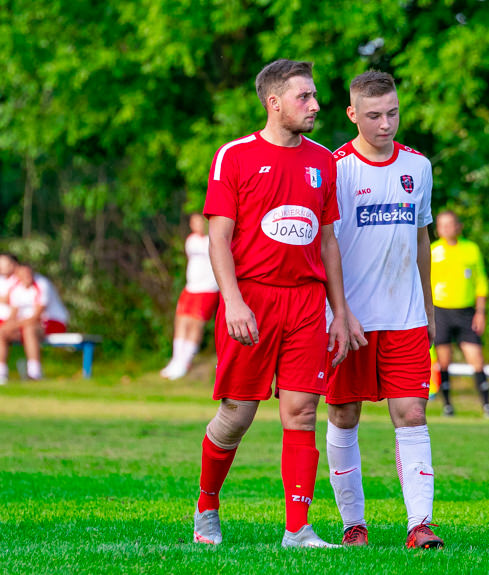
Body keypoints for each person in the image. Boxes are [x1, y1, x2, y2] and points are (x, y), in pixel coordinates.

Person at [192, 59, 351, 549]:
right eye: (305, 97)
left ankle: (298, 529)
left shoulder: (324, 160)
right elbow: (218, 239)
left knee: (302, 411)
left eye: (315, 96)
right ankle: (207, 506)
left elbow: (328, 241)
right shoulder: (234, 156)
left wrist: (340, 312)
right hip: (252, 299)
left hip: (306, 301)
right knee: (237, 414)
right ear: (274, 102)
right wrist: (234, 302)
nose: (316, 106)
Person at [325, 70, 443, 549]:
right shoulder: (335, 168)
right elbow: (324, 242)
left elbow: (421, 238)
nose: (385, 124)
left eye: (392, 113)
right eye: (374, 116)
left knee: (412, 414)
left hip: (406, 317)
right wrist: (337, 312)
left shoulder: (419, 166)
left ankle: (421, 525)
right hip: (348, 319)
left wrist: (429, 309)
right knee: (344, 414)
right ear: (353, 114)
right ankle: (354, 524)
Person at [430, 210, 489, 417]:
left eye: (451, 224)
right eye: (442, 225)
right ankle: (447, 405)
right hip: (441, 310)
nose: (447, 229)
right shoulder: (432, 250)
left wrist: (480, 312)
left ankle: (486, 405)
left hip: (466, 311)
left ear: (459, 226)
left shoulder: (471, 249)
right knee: (444, 360)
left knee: (476, 357)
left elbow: (481, 281)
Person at [160, 214, 220, 380]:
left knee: (195, 324)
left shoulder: (214, 240)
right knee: (181, 321)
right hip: (191, 288)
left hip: (207, 289)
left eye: (200, 222)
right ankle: (176, 359)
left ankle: (185, 362)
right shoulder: (191, 241)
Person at [0, 263, 68, 383]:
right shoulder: (16, 288)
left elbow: (36, 316)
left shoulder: (42, 284)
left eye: (29, 273)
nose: (27, 276)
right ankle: (2, 373)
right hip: (26, 324)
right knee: (2, 332)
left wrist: (14, 325)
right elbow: (14, 314)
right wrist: (7, 327)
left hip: (52, 322)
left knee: (29, 329)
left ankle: (34, 372)